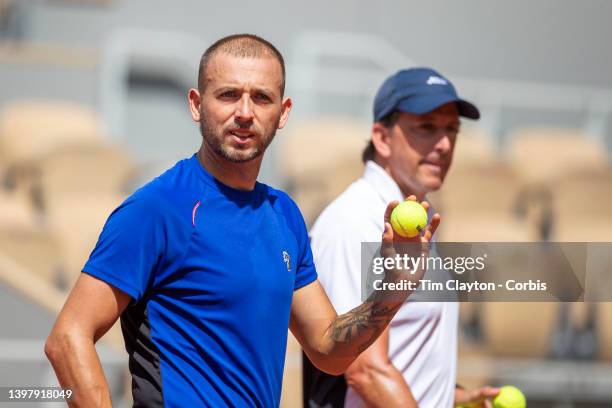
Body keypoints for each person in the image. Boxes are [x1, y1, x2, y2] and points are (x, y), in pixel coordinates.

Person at [44, 34, 440, 408]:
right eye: (228, 95)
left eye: (261, 98)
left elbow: (327, 350)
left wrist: (391, 290)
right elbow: (67, 338)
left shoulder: (284, 213)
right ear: (197, 104)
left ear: (283, 112)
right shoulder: (157, 208)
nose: (245, 113)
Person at [303, 68, 500, 408]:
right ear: (381, 137)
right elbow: (365, 371)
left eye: (452, 129)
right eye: (426, 128)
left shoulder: (411, 217)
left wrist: (454, 398)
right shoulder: (354, 220)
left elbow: (403, 356)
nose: (444, 144)